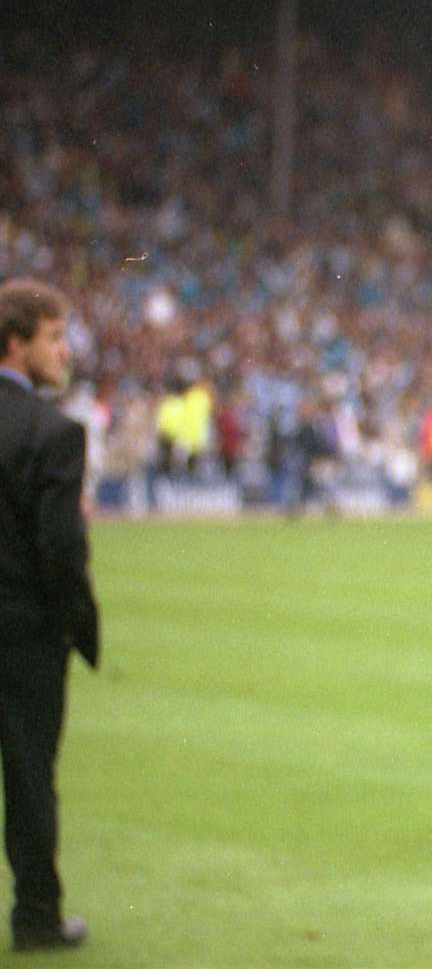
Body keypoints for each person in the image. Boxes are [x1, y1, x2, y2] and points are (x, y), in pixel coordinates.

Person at [0, 278, 98, 952]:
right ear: (17, 342)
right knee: (31, 776)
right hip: (25, 633)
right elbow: (60, 550)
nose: (67, 351)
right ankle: (37, 916)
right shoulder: (53, 433)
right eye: (55, 336)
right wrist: (80, 626)